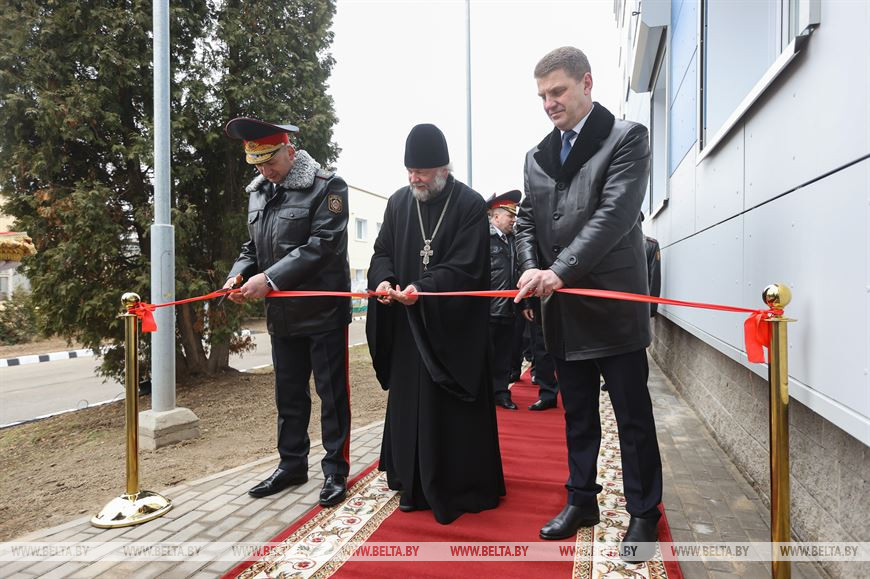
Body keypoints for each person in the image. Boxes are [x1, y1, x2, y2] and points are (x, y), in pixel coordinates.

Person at [514, 47, 663, 562]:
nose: (549, 103)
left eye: (557, 91)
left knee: (632, 418)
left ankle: (644, 513)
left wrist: (557, 271)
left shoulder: (627, 138)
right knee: (577, 415)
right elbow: (527, 220)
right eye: (542, 96)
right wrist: (529, 270)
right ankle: (581, 500)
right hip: (562, 311)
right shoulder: (536, 156)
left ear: (587, 83)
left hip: (613, 307)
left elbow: (615, 215)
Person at [366, 123, 505, 524]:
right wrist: (384, 280)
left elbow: (467, 267)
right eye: (410, 171)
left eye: (423, 172)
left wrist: (422, 289)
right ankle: (411, 481)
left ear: (444, 169)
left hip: (452, 333)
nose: (415, 179)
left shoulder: (469, 204)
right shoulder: (398, 203)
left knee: (447, 412)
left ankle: (456, 483)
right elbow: (381, 252)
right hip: (408, 330)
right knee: (411, 403)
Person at [223, 117, 352, 507]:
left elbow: (322, 244)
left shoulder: (328, 187)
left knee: (332, 397)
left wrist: (269, 278)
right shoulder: (259, 193)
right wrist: (237, 274)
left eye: (270, 162)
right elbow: (252, 247)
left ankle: (335, 471)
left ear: (290, 152)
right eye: (258, 165)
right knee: (289, 397)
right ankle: (292, 465)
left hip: (323, 313)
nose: (265, 172)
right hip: (282, 316)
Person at [486, 189, 522, 410]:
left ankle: (501, 393)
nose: (513, 220)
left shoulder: (514, 240)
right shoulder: (482, 239)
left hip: (509, 309)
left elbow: (518, 274)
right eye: (510, 215)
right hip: (486, 310)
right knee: (485, 356)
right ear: (496, 216)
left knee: (504, 357)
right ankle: (483, 395)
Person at [522, 298, 559, 410]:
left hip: (572, 305)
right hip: (542, 303)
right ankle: (548, 395)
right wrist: (528, 304)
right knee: (542, 348)